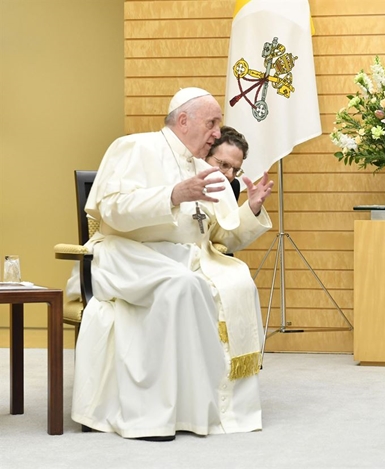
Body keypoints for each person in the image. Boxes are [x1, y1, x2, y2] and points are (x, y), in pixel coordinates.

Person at [70, 87, 274, 441]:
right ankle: (152, 415)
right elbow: (112, 210)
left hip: (187, 259)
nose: (215, 133)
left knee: (236, 282)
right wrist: (173, 195)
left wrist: (251, 208)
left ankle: (201, 409)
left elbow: (221, 236)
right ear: (183, 119)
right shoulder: (134, 147)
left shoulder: (204, 169)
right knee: (183, 285)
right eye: (211, 123)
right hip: (130, 255)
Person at [207, 126, 248, 202]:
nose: (230, 175)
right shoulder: (187, 179)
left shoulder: (233, 186)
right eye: (224, 165)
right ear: (205, 156)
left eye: (235, 170)